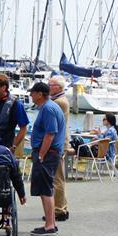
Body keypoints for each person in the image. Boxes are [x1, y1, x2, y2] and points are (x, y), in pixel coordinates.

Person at [28, 81, 66, 236]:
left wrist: (42, 154)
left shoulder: (48, 109)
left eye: (32, 92)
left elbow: (50, 134)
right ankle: (51, 223)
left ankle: (49, 225)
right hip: (49, 152)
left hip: (48, 153)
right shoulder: (49, 107)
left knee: (46, 188)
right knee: (46, 187)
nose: (30, 95)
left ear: (39, 94)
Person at [49, 76, 72, 222]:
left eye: (51, 85)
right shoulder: (60, 101)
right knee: (57, 177)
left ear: (58, 87)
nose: (48, 87)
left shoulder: (58, 102)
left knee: (57, 178)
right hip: (60, 143)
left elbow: (53, 126)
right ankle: (60, 207)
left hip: (57, 144)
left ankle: (59, 209)